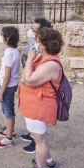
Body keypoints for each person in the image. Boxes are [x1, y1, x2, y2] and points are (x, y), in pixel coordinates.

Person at [18, 27, 64, 168]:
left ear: (46, 44)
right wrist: (31, 61)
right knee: (41, 138)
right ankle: (48, 161)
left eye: (38, 41)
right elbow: (26, 74)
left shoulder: (51, 63)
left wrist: (29, 59)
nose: (35, 44)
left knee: (40, 140)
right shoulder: (44, 57)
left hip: (39, 107)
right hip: (34, 105)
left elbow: (27, 79)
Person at [20, 18, 53, 154]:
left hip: (38, 83)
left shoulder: (47, 48)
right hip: (30, 77)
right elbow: (25, 56)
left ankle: (36, 142)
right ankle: (32, 134)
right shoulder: (33, 42)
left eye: (34, 30)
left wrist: (30, 65)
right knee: (30, 110)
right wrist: (27, 64)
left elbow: (37, 64)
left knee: (37, 113)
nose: (32, 32)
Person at [0, 26, 20, 149]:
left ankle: (9, 138)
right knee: (6, 109)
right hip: (10, 85)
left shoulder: (10, 53)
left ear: (7, 38)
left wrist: (1, 92)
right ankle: (10, 130)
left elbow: (7, 75)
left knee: (8, 111)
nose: (1, 36)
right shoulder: (14, 50)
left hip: (8, 86)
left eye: (2, 34)